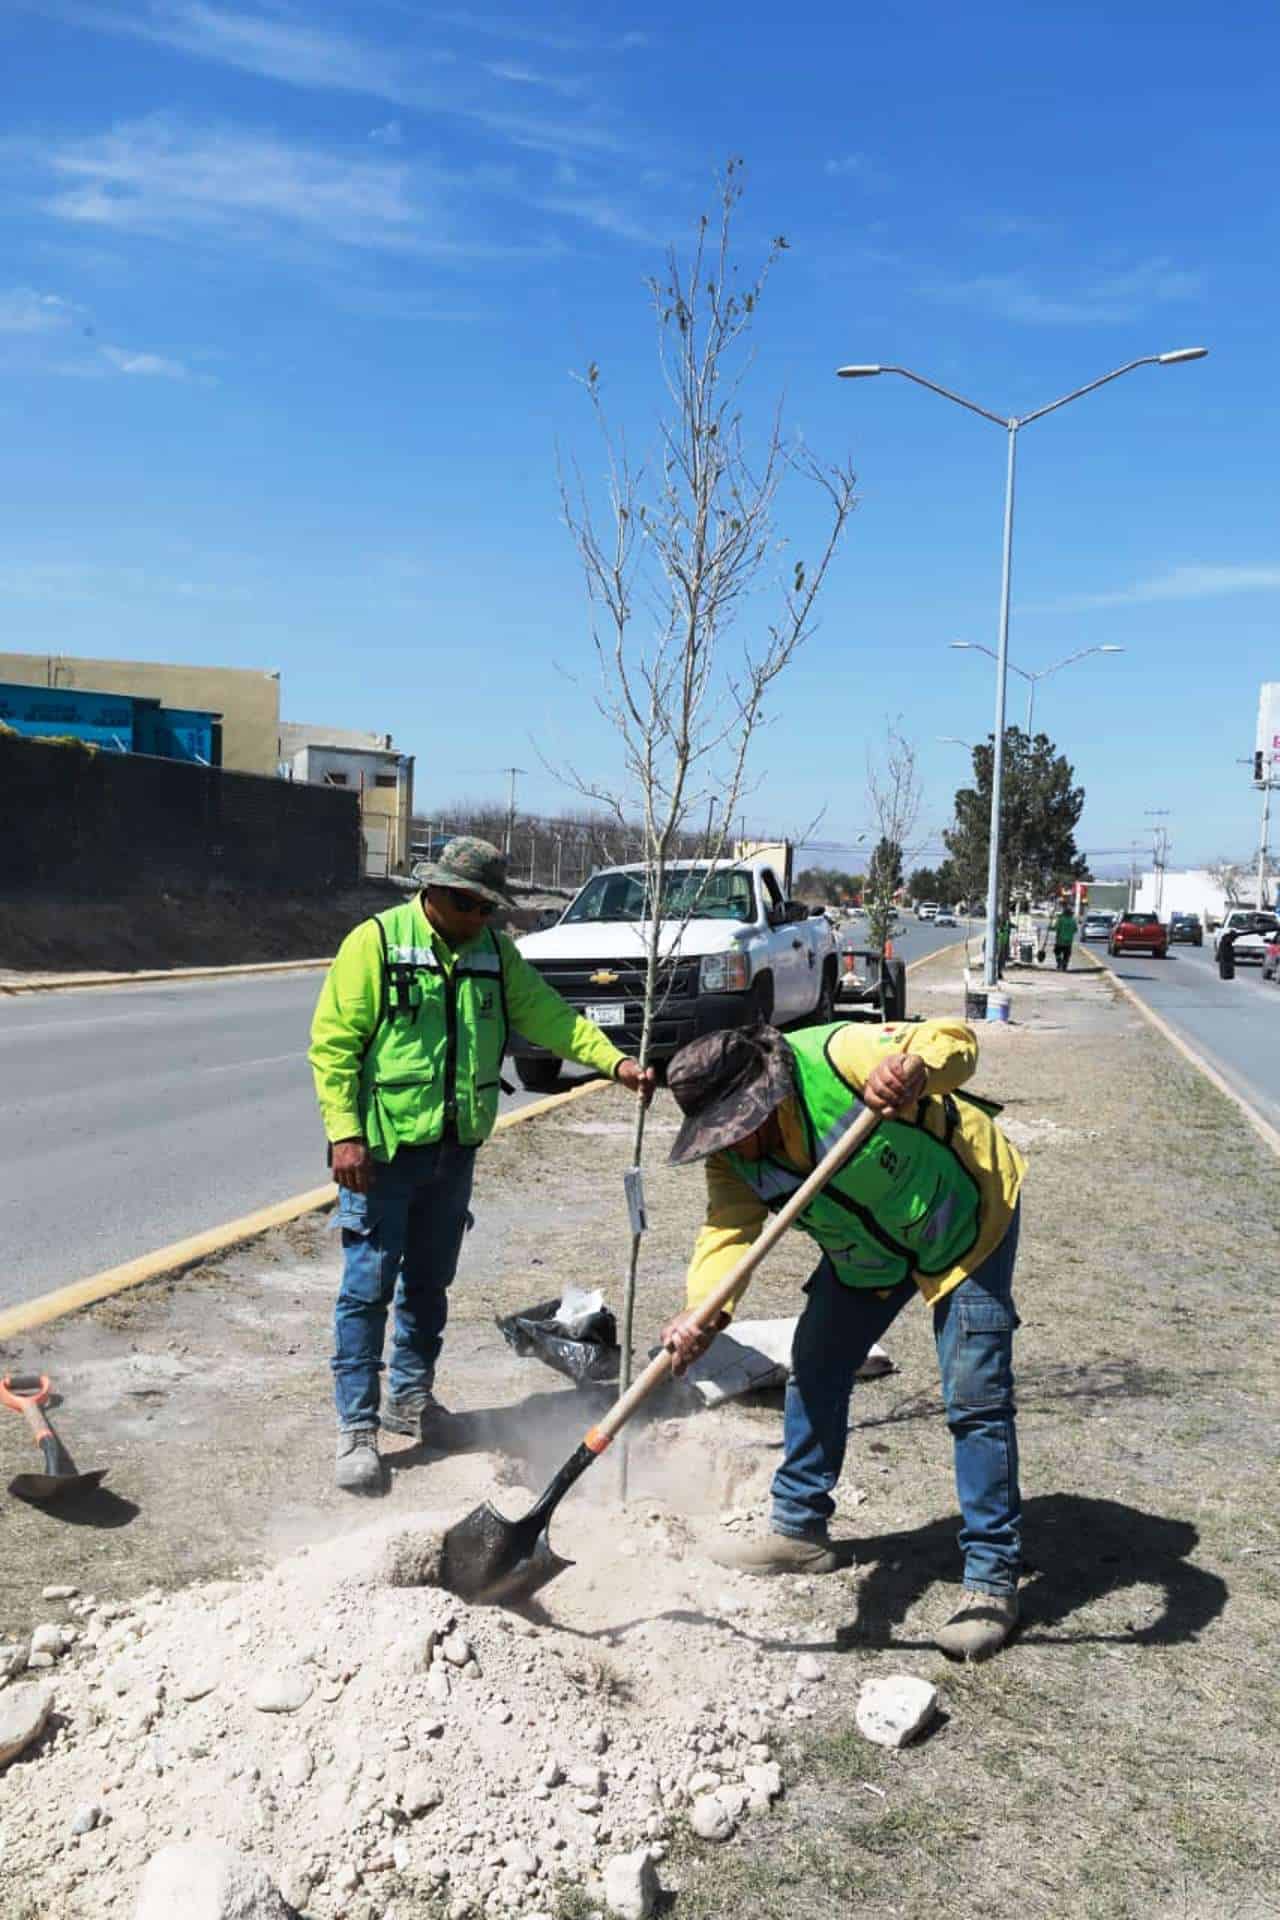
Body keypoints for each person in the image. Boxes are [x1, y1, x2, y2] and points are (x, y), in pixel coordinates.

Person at [660, 1018, 1027, 1660]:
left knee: (975, 1398)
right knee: (817, 1363)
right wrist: (702, 1314)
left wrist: (916, 1070)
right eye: (719, 1134)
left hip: (965, 1222)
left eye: (738, 1125)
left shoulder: (837, 1057)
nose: (735, 1146)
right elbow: (726, 1235)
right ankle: (800, 1530)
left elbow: (954, 1040)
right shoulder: (732, 1161)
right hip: (867, 1256)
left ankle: (992, 1580)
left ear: (767, 1095)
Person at [310, 836, 654, 1495]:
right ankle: (357, 1430)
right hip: (381, 1154)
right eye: (468, 905)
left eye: (486, 908)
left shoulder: (495, 955)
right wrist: (345, 1135)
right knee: (366, 1288)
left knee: (429, 1285)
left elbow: (550, 1017)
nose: (478, 918)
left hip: (454, 1151)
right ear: (433, 891)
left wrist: (615, 1061)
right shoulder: (377, 944)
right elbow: (333, 1047)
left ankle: (410, 1399)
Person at [1053, 905, 1078, 972]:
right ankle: (1064, 966)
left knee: (1057, 951)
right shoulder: (1073, 921)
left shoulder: (1060, 919)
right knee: (1067, 954)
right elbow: (1075, 930)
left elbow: (1056, 928)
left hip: (1060, 940)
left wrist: (1050, 927)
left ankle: (1059, 962)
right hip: (1068, 942)